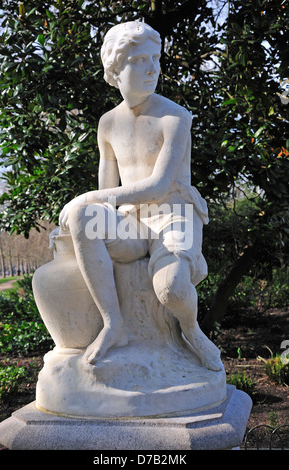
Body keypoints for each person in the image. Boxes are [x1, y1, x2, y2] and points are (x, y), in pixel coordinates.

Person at [59, 21, 223, 371]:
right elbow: (105, 197)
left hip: (173, 215)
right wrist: (87, 205)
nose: (152, 68)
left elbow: (160, 185)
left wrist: (86, 196)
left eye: (155, 59)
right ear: (115, 69)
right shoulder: (107, 123)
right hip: (133, 222)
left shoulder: (174, 117)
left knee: (172, 290)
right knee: (84, 218)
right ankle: (113, 325)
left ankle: (192, 330)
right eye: (139, 61)